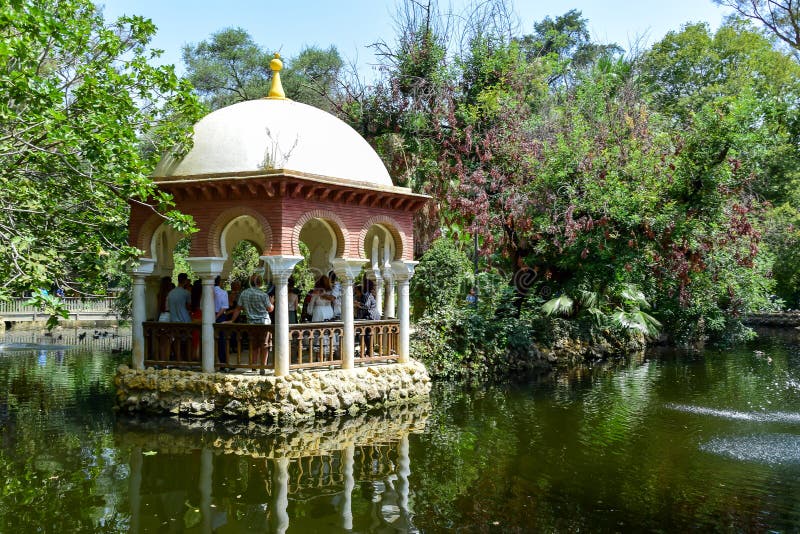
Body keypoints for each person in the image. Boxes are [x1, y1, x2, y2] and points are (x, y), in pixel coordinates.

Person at [238, 273, 274, 372]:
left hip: (251, 323)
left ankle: (254, 366)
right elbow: (270, 309)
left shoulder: (244, 293)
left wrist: (232, 320)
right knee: (264, 345)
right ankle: (263, 366)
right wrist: (272, 302)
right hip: (264, 323)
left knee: (254, 345)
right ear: (260, 283)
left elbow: (239, 307)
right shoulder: (263, 295)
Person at [213, 276, 230, 369]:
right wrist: (216, 316)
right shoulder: (223, 292)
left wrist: (212, 316)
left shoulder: (207, 291)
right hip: (220, 317)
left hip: (209, 315)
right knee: (222, 340)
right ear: (220, 282)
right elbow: (224, 307)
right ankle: (223, 363)